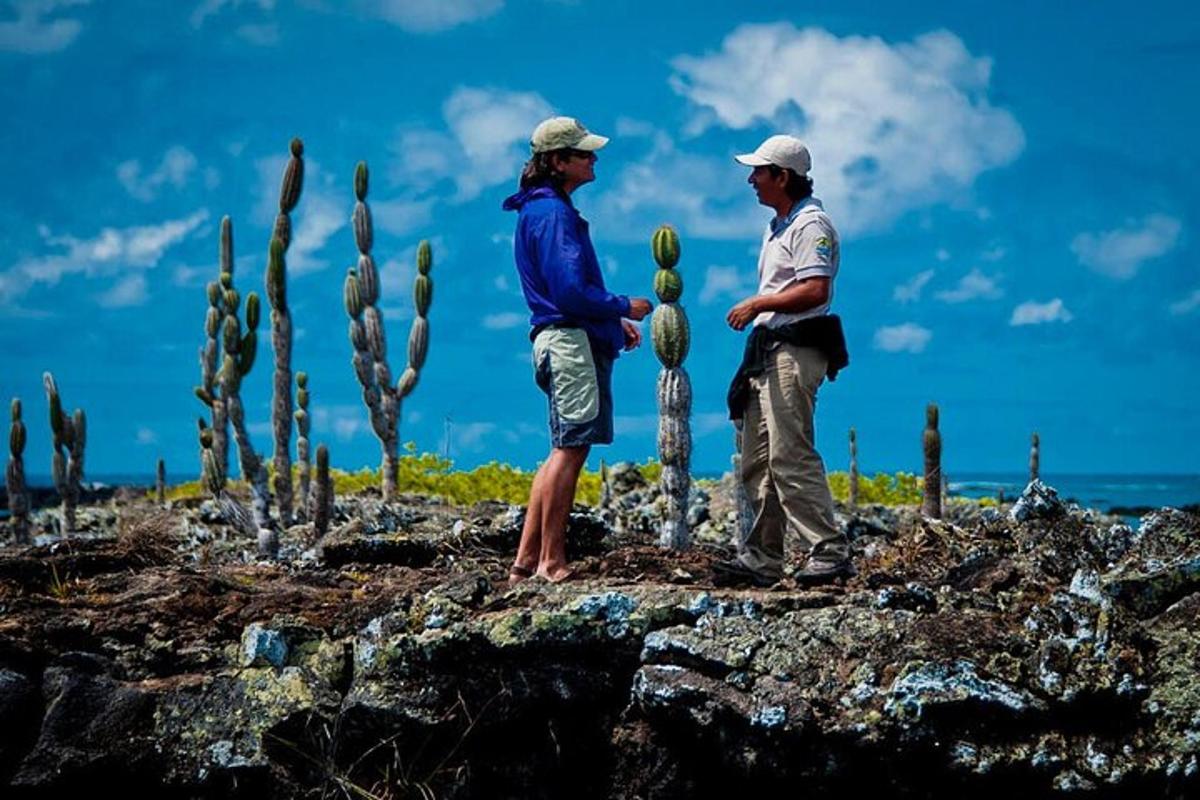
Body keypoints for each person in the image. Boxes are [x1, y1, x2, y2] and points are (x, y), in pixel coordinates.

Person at [502, 116, 653, 584]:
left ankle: (526, 560)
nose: (593, 159)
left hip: (564, 338)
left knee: (561, 449)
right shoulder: (553, 214)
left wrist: (611, 321)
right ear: (557, 162)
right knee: (570, 449)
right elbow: (569, 291)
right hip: (568, 341)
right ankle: (551, 560)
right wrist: (621, 304)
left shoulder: (543, 210)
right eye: (584, 153)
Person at [715, 134, 853, 588]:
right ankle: (763, 556)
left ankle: (828, 549)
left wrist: (759, 303)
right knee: (757, 458)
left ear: (783, 176)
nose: (752, 179)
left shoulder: (811, 225)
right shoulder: (780, 226)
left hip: (793, 349)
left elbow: (816, 289)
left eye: (760, 171)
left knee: (790, 452)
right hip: (770, 350)